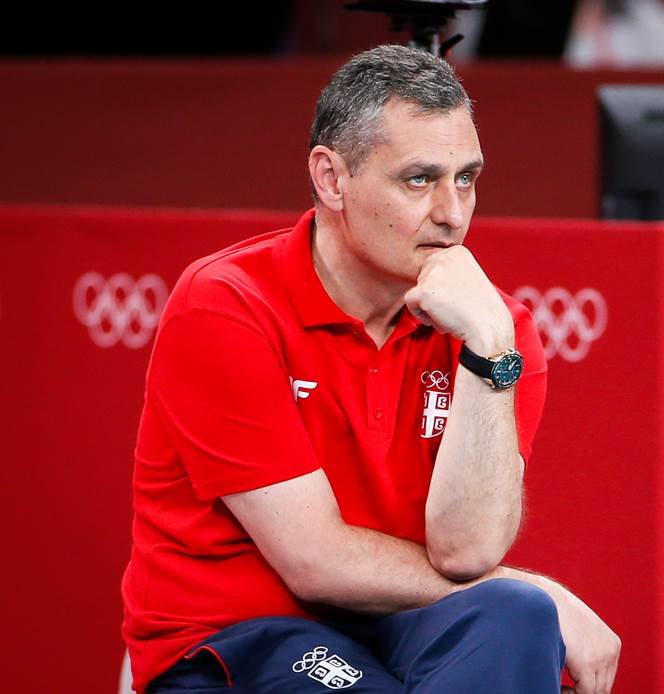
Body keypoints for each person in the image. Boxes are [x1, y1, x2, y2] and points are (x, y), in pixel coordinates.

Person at [121, 44, 620, 693]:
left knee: (515, 617)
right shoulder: (226, 304)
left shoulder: (496, 329)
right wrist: (543, 589)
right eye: (419, 179)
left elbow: (467, 554)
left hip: (400, 624)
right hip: (238, 637)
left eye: (465, 178)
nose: (453, 213)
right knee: (524, 602)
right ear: (332, 178)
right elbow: (314, 562)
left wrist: (490, 349)